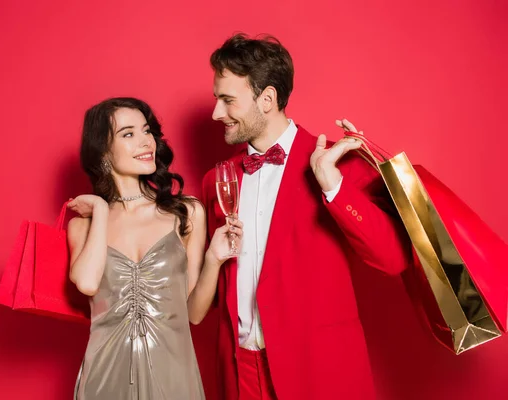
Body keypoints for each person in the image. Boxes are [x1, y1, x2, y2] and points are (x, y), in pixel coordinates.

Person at [200, 34, 413, 400]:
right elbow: (219, 293)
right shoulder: (217, 181)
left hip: (319, 375)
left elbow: (392, 259)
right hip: (240, 375)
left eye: (227, 100)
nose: (217, 113)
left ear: (267, 99)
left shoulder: (338, 163)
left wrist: (333, 186)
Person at [66, 97, 243, 400]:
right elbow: (87, 282)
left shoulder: (185, 213)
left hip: (173, 375)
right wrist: (101, 209)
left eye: (146, 131)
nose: (146, 141)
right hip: (104, 379)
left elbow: (195, 314)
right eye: (128, 134)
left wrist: (214, 258)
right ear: (103, 152)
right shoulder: (83, 225)